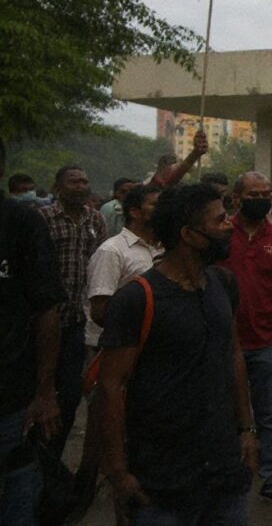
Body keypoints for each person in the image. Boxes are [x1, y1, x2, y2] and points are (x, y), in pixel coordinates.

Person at [98, 184, 257, 524]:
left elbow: (234, 355)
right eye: (220, 220)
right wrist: (119, 473)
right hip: (161, 482)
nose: (230, 225)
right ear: (189, 234)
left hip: (224, 472)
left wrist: (246, 430)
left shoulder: (223, 283)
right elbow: (110, 386)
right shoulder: (137, 299)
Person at [79, 184, 162, 502]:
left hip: (145, 354)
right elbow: (101, 309)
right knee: (105, 425)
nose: (162, 209)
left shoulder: (161, 248)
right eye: (155, 204)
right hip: (111, 352)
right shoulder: (113, 251)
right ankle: (88, 489)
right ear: (134, 211)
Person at [221, 172, 272, 503]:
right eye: (254, 194)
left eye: (267, 193)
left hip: (267, 340)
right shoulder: (221, 233)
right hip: (224, 342)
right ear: (238, 198)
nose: (262, 199)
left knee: (269, 414)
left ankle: (271, 478)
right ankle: (228, 473)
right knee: (225, 413)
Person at [0, 137, 63, 524]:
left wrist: (44, 392)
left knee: (17, 486)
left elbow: (47, 311)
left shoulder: (20, 222)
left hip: (10, 397)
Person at [40, 164, 106, 458]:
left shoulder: (96, 220)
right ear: (57, 187)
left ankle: (52, 457)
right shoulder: (42, 219)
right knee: (39, 389)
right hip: (43, 321)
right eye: (73, 181)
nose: (81, 186)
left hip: (77, 321)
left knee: (69, 394)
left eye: (85, 181)